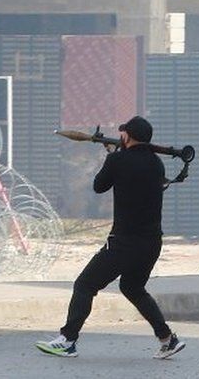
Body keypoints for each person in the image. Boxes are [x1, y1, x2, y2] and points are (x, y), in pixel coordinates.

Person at [35, 116, 186, 360]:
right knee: (132, 288)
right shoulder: (157, 164)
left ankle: (67, 340)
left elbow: (99, 186)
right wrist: (116, 156)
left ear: (127, 136)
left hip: (124, 243)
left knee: (84, 285)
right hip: (151, 242)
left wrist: (111, 157)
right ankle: (167, 339)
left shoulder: (118, 160)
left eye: (123, 133)